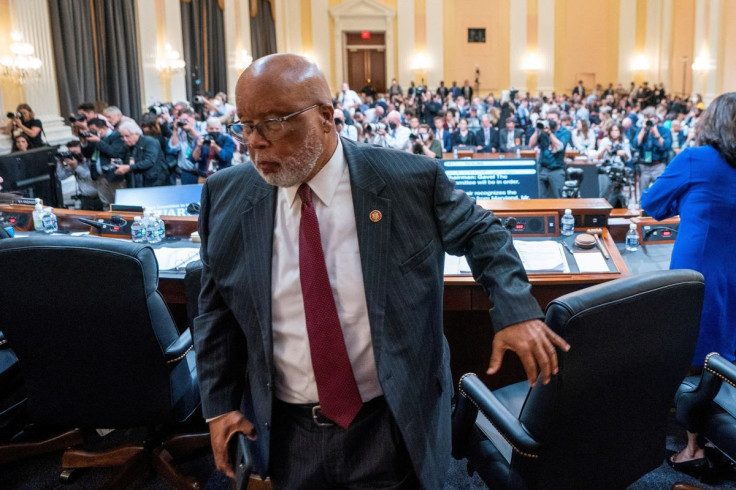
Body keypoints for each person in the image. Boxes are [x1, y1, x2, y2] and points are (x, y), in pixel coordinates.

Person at [194, 53, 568, 489]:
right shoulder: (225, 194)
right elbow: (216, 307)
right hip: (285, 431)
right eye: (245, 125)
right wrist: (219, 403)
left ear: (326, 117)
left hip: (392, 422)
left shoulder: (409, 180)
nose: (255, 142)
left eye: (274, 122)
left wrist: (516, 310)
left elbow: (484, 232)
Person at [642, 92, 736, 478]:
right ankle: (719, 435)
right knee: (726, 352)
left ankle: (695, 446)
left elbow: (652, 203)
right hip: (732, 270)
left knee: (695, 358)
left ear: (709, 122)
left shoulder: (696, 159)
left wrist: (692, 204)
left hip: (698, 273)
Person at [529, 110, 571, 198]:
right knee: (541, 198)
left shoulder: (565, 132)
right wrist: (537, 130)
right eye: (549, 119)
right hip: (543, 168)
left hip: (556, 169)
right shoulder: (542, 131)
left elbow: (560, 147)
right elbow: (531, 145)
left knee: (559, 197)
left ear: (559, 120)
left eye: (553, 119)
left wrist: (549, 133)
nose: (551, 121)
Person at [115, 121, 169, 188]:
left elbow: (149, 161)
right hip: (136, 181)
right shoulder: (127, 145)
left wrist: (129, 167)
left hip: (154, 180)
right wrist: (117, 162)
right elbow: (120, 156)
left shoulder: (150, 142)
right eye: (123, 137)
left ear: (136, 134)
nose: (125, 139)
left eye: (127, 136)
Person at [55, 140, 103, 210]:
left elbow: (91, 177)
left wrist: (76, 167)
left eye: (75, 152)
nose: (73, 154)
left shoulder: (90, 161)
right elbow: (61, 176)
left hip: (99, 198)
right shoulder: (74, 163)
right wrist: (60, 162)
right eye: (70, 152)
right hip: (85, 199)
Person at [189, 117, 235, 182]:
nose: (214, 131)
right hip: (204, 177)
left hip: (222, 176)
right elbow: (193, 160)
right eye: (211, 128)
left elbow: (227, 158)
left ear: (221, 129)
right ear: (206, 129)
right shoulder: (200, 139)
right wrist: (198, 147)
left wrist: (215, 146)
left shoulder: (227, 139)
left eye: (217, 129)